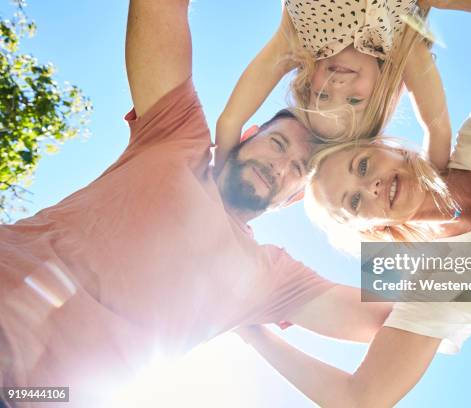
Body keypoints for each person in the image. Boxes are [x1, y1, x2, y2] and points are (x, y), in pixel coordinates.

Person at [0, 1, 391, 406]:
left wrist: (455, 223)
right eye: (277, 144)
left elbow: (379, 317)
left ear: (295, 198)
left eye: (297, 170)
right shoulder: (177, 136)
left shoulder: (270, 275)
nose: (279, 167)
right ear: (249, 132)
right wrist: (284, 45)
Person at [237, 1, 471, 406]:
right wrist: (247, 326)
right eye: (356, 202)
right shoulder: (439, 285)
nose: (374, 186)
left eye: (362, 165)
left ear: (390, 149)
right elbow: (360, 398)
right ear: (371, 229)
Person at [215, 0, 453, 174]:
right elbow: (438, 131)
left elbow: (230, 121)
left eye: (323, 95)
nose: (337, 85)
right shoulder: (400, 41)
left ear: (308, 83)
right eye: (353, 101)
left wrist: (216, 185)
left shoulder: (297, 40)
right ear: (380, 96)